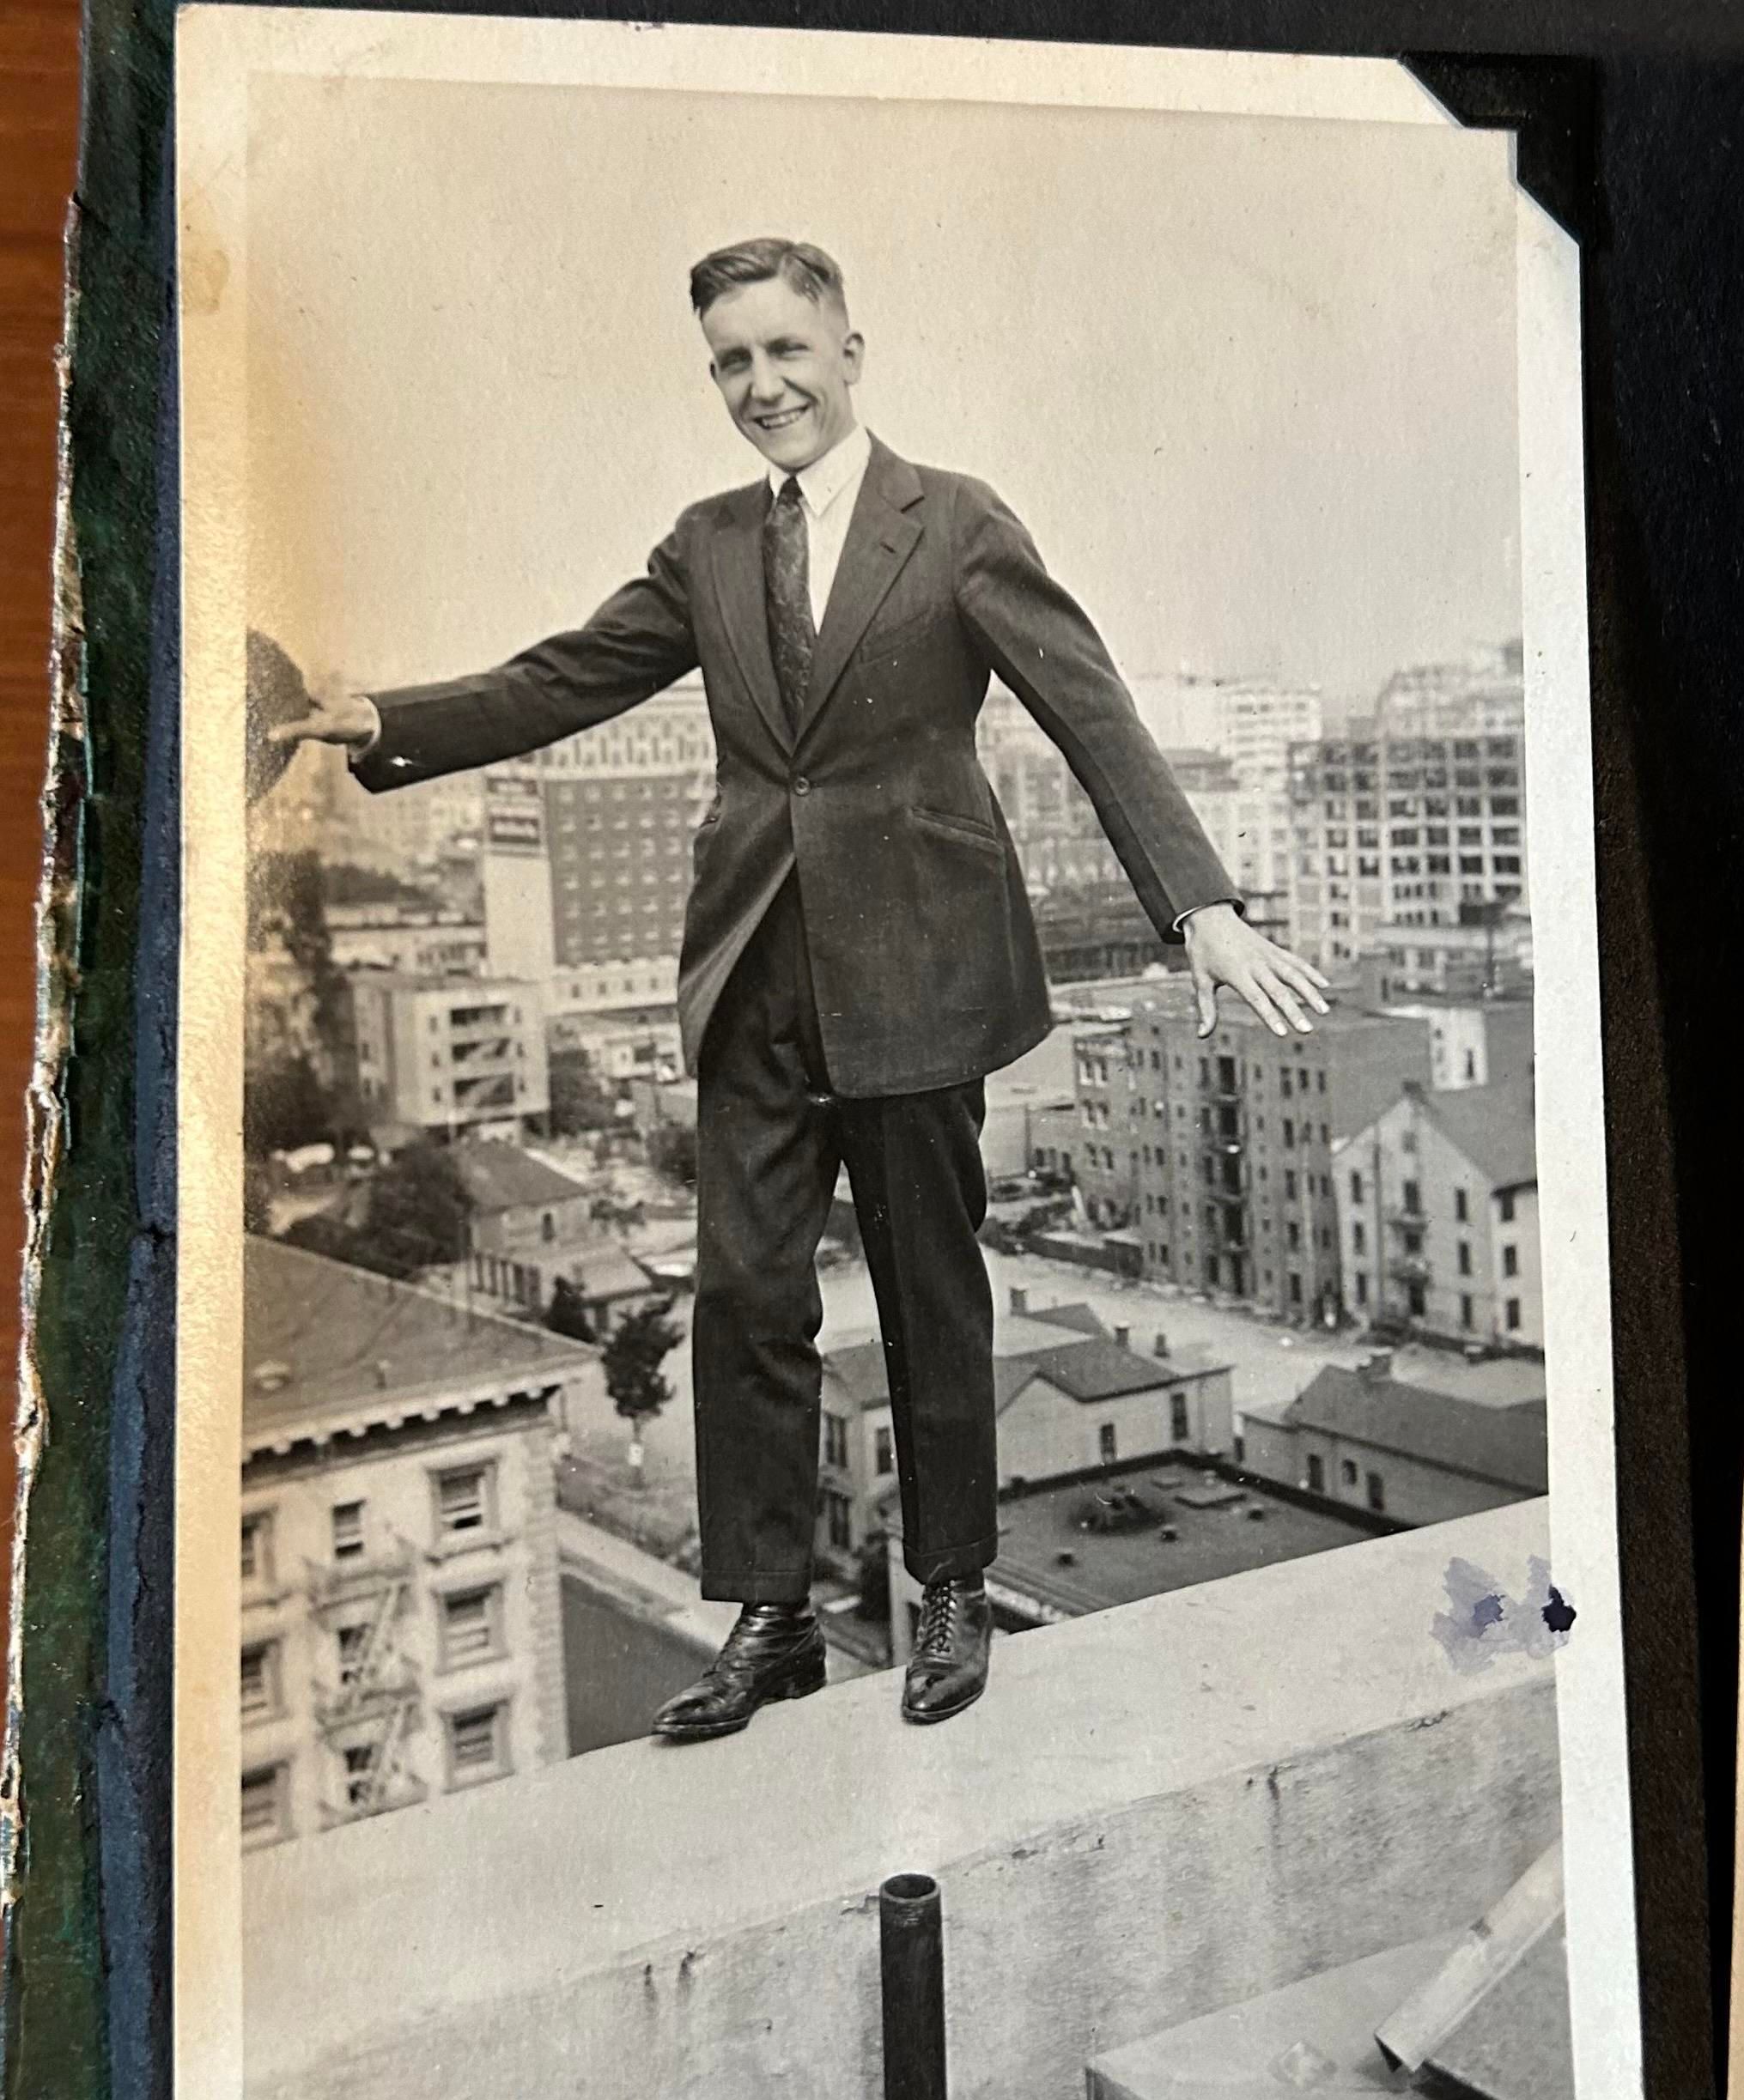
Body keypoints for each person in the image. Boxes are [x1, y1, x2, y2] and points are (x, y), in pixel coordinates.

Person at [276, 236, 1328, 1739]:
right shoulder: (706, 544)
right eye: (731, 361)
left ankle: (953, 1585)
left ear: (849, 352)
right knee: (746, 1296)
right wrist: (386, 715)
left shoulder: (954, 522)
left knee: (927, 1288)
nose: (762, 384)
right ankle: (773, 1622)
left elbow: (1086, 704)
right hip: (758, 969)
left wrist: (1201, 905)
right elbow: (569, 675)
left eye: (785, 351)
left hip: (918, 976)